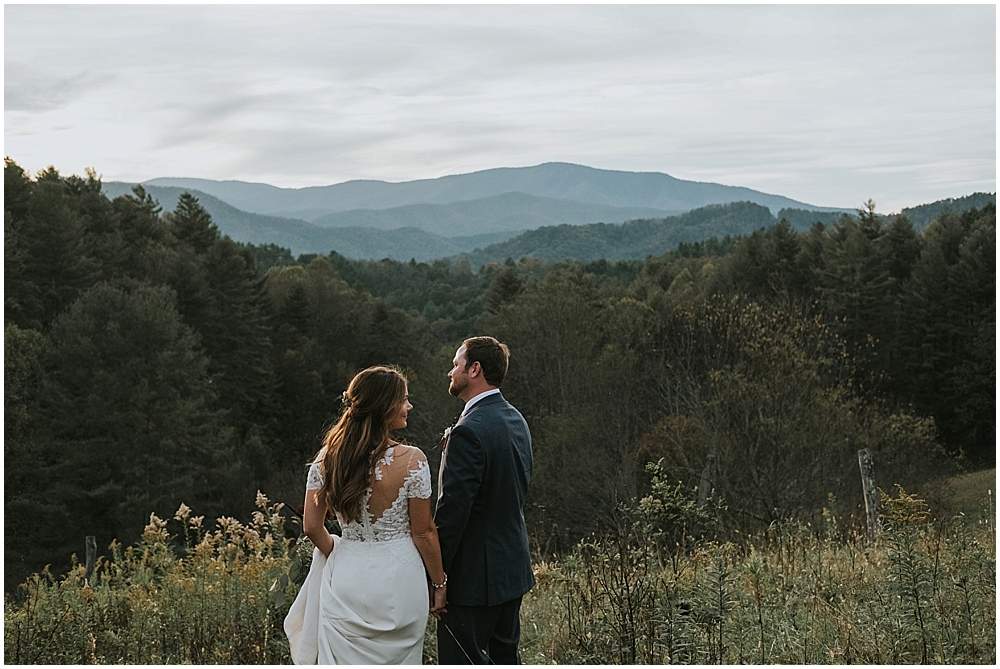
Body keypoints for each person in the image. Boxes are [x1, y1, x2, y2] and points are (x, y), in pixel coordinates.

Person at [284, 365, 447, 665]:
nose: (409, 406)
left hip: (347, 576)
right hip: (401, 581)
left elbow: (311, 526)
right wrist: (439, 583)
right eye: (404, 400)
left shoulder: (326, 459)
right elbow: (423, 533)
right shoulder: (413, 460)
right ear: (384, 406)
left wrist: (338, 549)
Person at [435, 336, 534, 664]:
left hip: (473, 580)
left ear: (475, 369)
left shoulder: (469, 430)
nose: (450, 372)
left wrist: (438, 576)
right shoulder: (516, 418)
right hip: (511, 568)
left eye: (456, 364)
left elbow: (453, 511)